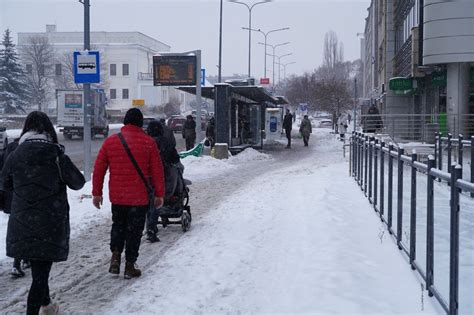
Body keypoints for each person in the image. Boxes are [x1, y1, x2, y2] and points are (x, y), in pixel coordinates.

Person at [0, 111, 85, 315]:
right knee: (40, 275)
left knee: (39, 272)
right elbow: (77, 182)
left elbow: (5, 183)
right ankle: (36, 310)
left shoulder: (16, 154)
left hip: (22, 221)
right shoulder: (55, 154)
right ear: (49, 129)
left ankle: (47, 305)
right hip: (50, 222)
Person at [92, 108, 165, 279]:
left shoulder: (111, 142)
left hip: (118, 197)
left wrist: (97, 193)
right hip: (139, 198)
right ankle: (130, 265)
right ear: (141, 123)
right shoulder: (149, 143)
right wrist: (159, 194)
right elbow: (157, 171)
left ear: (125, 121)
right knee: (134, 230)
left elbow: (99, 169)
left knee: (118, 225)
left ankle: (116, 256)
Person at [146, 120, 180, 242]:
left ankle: (149, 225)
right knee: (157, 202)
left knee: (149, 203)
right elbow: (175, 158)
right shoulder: (165, 142)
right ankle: (151, 227)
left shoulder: (144, 142)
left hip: (146, 177)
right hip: (162, 176)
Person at [0, 137, 27, 278]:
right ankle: (20, 261)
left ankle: (19, 261)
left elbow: (3, 175)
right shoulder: (24, 151)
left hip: (10, 197)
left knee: (17, 229)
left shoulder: (9, 149)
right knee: (27, 228)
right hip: (21, 197)